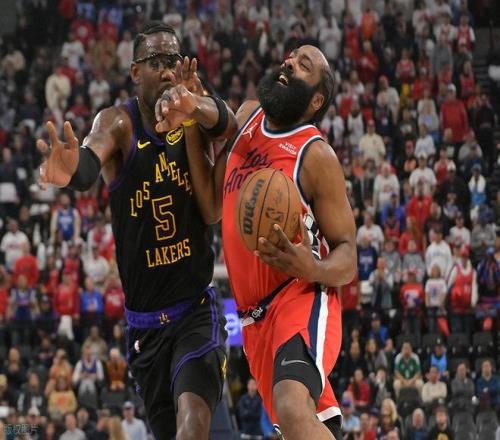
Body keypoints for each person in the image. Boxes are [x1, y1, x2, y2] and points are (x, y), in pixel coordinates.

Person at [36, 22, 231, 439]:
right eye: (155, 62)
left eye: (172, 61)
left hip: (195, 310)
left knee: (193, 423)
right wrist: (73, 171)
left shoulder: (192, 113)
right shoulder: (119, 123)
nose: (167, 71)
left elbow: (226, 123)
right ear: (134, 72)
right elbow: (90, 160)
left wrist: (199, 105)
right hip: (145, 327)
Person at [156, 45, 356, 439]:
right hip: (253, 318)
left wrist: (312, 267)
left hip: (300, 295)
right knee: (308, 425)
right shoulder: (249, 116)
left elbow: (348, 256)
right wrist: (192, 117)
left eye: (303, 65)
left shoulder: (315, 155)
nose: (289, 63)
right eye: (291, 57)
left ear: (316, 100)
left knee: (291, 407)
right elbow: (211, 205)